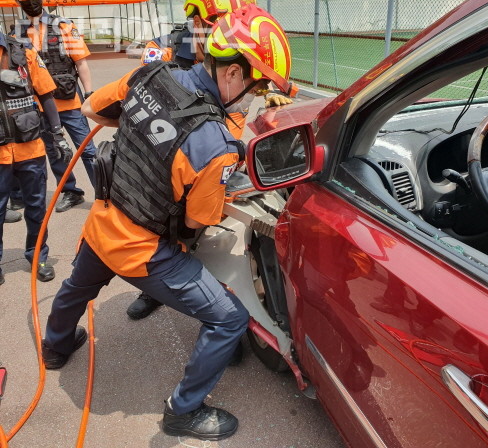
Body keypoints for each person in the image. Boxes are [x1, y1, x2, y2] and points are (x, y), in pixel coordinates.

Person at [41, 5, 294, 440]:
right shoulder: (215, 144)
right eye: (257, 86)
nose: (254, 97)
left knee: (75, 290)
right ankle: (182, 411)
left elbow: (92, 108)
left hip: (102, 225)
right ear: (233, 74)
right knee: (229, 320)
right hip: (145, 251)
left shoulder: (148, 75)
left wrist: (147, 133)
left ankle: (56, 348)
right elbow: (200, 219)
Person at [128, 0, 295, 321]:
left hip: (222, 155)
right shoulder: (170, 53)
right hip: (178, 164)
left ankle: (216, 305)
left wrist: (273, 95)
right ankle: (157, 290)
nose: (218, 32)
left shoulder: (243, 43)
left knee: (211, 233)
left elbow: (266, 68)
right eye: (210, 24)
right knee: (173, 231)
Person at [0, 32, 71, 286]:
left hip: (31, 149)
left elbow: (46, 95)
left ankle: (38, 255)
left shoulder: (24, 53)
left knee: (36, 208)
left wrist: (58, 134)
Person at [15, 0, 97, 213]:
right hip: (40, 106)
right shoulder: (18, 32)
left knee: (87, 149)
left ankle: (104, 191)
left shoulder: (64, 26)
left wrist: (89, 95)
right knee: (55, 152)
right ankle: (71, 192)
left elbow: (81, 63)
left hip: (70, 102)